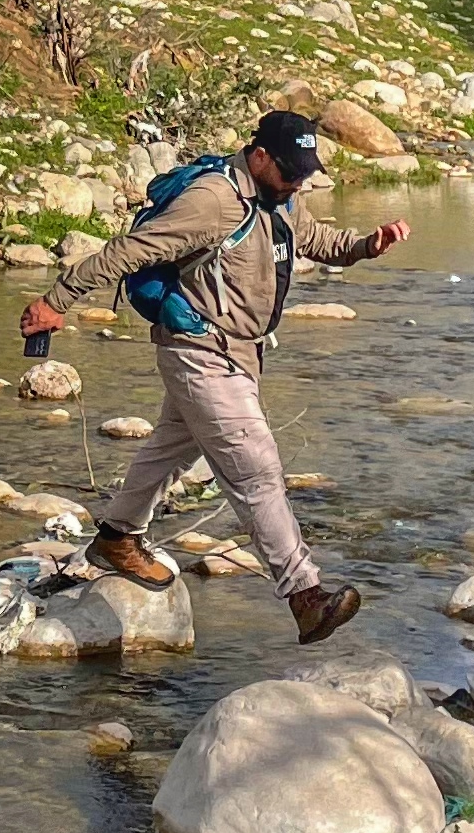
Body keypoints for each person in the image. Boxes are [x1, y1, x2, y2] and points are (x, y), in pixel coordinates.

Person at [45, 108, 409, 644]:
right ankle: (304, 594)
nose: (298, 182)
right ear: (259, 155)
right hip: (200, 350)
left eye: (306, 172)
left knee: (170, 448)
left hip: (241, 355)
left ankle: (116, 538)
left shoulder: (284, 197)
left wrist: (364, 246)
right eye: (291, 171)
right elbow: (131, 252)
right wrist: (57, 300)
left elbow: (315, 242)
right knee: (255, 466)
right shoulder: (213, 201)